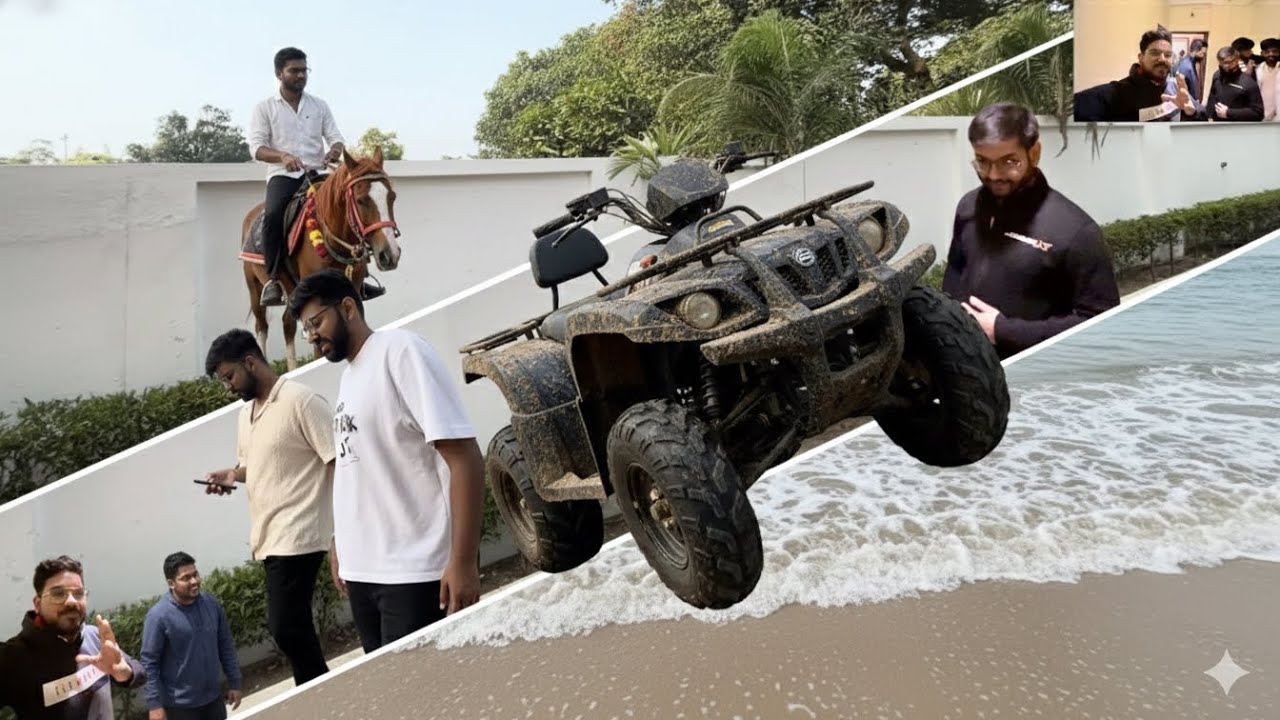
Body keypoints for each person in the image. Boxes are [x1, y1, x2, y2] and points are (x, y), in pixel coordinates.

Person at [288, 270, 485, 653]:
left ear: (348, 308)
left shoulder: (401, 352)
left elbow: (464, 457)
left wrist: (462, 561)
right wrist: (339, 540)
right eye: (305, 329)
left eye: (315, 322)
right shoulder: (349, 377)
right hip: (364, 574)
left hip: (414, 572)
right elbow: (357, 469)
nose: (311, 335)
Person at [203, 329, 336, 685]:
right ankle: (318, 690)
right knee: (292, 629)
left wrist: (341, 534)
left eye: (229, 376)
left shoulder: (301, 401)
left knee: (287, 628)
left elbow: (338, 461)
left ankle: (320, 692)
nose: (228, 387)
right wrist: (233, 474)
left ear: (250, 362)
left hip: (299, 532)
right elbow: (259, 464)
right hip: (268, 537)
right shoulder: (245, 416)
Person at [942, 103, 1121, 360]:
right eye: (983, 162)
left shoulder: (1077, 231)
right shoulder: (968, 206)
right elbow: (956, 269)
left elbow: (1101, 323)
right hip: (964, 364)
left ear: (1034, 153)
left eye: (1009, 162)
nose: (994, 175)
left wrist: (1002, 330)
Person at [246, 46, 384, 307]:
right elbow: (257, 148)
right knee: (274, 215)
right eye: (294, 70)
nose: (300, 75)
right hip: (283, 175)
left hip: (319, 173)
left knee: (349, 207)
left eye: (304, 70)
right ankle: (274, 280)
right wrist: (283, 157)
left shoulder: (319, 105)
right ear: (279, 74)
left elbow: (336, 138)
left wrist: (334, 151)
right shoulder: (264, 108)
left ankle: (361, 273)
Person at [0, 556, 145, 719]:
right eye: (58, 593)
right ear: (37, 603)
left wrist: (125, 672)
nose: (71, 601)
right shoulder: (12, 657)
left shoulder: (94, 636)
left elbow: (139, 673)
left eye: (78, 593)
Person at [139, 553, 241, 720]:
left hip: (214, 701)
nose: (194, 581)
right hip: (180, 708)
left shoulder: (211, 604)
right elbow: (149, 663)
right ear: (171, 583)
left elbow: (225, 644)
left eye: (195, 574)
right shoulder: (158, 616)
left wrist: (235, 681)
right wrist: (155, 704)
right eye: (186, 578)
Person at [1072, 26, 1201, 122]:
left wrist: (1191, 112)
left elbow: (1204, 118)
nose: (1162, 59)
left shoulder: (1176, 88)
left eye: (1167, 55)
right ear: (1141, 57)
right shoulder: (1119, 91)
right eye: (1154, 53)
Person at [1205, 45, 1265, 121]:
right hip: (1217, 126)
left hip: (1238, 128)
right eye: (1222, 62)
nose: (1225, 66)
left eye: (1228, 62)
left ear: (1237, 60)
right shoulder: (1217, 76)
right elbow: (1212, 98)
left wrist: (1229, 112)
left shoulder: (1248, 83)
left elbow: (1258, 113)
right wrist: (1209, 116)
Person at [1174, 38, 1207, 105]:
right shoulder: (1186, 66)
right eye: (1202, 53)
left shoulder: (1191, 63)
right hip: (1186, 105)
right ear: (1195, 51)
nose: (1203, 56)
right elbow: (1182, 90)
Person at [1253, 38, 1279, 121]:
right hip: (1261, 117)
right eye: (1267, 52)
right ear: (1262, 54)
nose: (1271, 54)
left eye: (1275, 51)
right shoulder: (1256, 71)